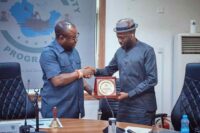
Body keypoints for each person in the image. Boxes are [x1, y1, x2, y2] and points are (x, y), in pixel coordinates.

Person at [89, 18, 158, 125]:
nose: (120, 41)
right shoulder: (119, 52)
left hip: (142, 108)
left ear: (132, 34)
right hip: (124, 107)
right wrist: (94, 71)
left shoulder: (147, 51)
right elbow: (108, 70)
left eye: (123, 37)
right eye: (118, 37)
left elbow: (152, 79)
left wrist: (129, 94)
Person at [39, 20, 93, 118]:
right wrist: (81, 72)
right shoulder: (48, 53)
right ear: (61, 38)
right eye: (73, 38)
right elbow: (57, 80)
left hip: (75, 109)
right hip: (57, 111)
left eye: (76, 36)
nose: (76, 40)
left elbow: (76, 77)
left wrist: (91, 90)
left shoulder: (74, 51)